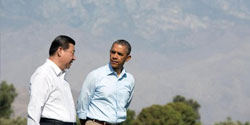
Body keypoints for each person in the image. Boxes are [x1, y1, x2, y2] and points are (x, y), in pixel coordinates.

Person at [77, 39, 135, 125]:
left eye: (119, 54)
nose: (114, 56)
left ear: (127, 58)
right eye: (113, 52)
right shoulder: (96, 75)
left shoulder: (129, 80)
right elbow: (83, 101)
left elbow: (125, 105)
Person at [27, 35, 77, 125]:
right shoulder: (43, 74)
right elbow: (34, 112)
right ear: (60, 51)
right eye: (72, 53)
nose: (74, 58)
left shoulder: (61, 78)